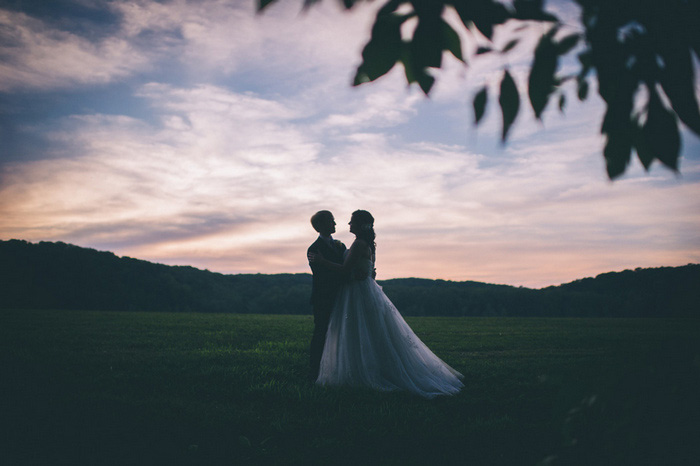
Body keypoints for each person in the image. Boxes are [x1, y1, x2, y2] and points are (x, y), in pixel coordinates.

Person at [309, 210, 464, 398]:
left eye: (352, 222)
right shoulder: (367, 245)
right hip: (361, 291)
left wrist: (324, 261)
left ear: (359, 225)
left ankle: (362, 373)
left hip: (356, 293)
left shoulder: (357, 244)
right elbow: (365, 269)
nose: (347, 224)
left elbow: (345, 269)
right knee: (367, 333)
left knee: (359, 333)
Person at [307, 210, 347, 382]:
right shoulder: (313, 249)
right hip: (324, 297)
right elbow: (321, 274)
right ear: (321, 225)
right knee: (321, 333)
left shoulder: (340, 245)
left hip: (343, 295)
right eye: (331, 221)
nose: (335, 224)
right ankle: (314, 370)